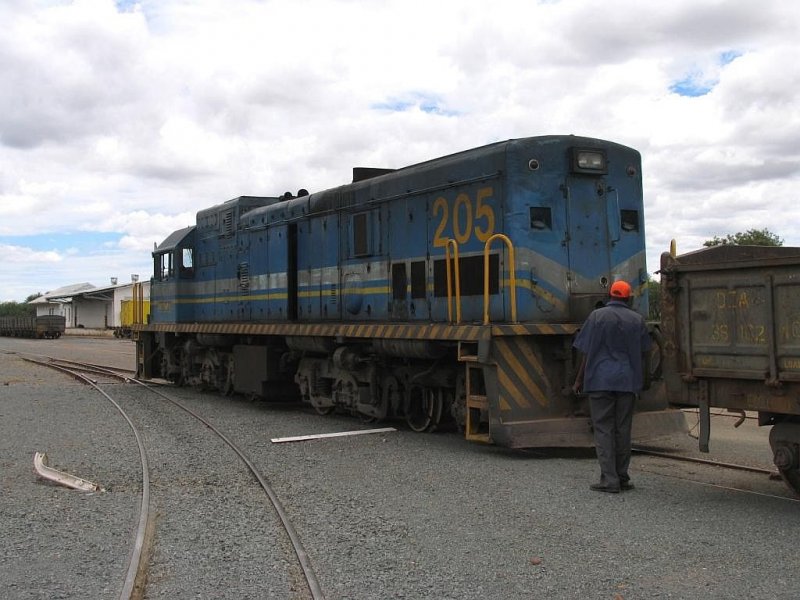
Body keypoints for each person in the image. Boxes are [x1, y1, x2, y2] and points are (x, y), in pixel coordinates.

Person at [572, 280, 651, 493]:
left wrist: (578, 380)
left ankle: (609, 479)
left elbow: (585, 352)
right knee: (623, 429)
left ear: (610, 295)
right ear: (628, 297)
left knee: (603, 429)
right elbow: (645, 352)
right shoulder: (637, 320)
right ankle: (622, 477)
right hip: (627, 382)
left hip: (600, 381)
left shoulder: (596, 316)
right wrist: (642, 381)